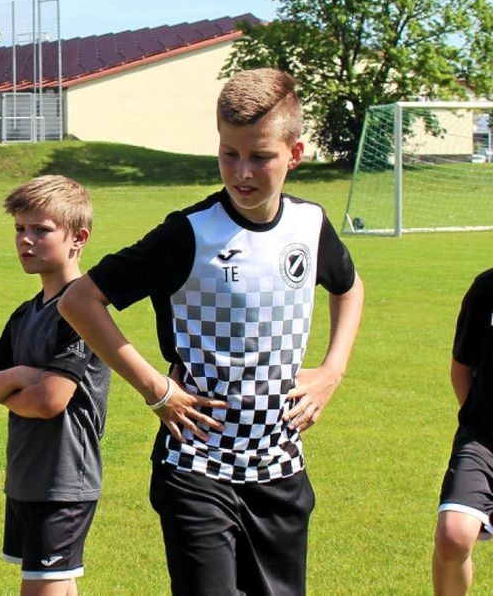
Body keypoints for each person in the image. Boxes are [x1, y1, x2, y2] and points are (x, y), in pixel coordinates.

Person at [57, 68, 364, 595]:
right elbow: (80, 301)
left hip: (280, 465)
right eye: (229, 154)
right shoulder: (190, 232)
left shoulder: (309, 225)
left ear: (295, 153)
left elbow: (349, 287)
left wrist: (332, 370)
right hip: (197, 463)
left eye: (260, 156)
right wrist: (156, 390)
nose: (242, 172)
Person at [0, 175, 111, 596]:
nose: (25, 240)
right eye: (19, 229)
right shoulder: (26, 314)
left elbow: (51, 400)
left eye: (41, 230)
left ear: (78, 238)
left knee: (42, 588)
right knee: (57, 586)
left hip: (63, 480)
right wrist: (17, 376)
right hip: (28, 477)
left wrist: (7, 391)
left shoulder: (80, 311)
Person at [433, 269, 493, 595]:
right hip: (484, 438)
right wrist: (479, 419)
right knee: (453, 535)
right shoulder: (487, 288)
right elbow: (461, 369)